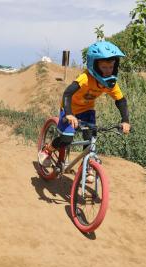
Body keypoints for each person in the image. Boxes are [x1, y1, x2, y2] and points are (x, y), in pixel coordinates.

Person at [38, 41, 131, 180]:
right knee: (66, 139)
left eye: (111, 67)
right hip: (69, 109)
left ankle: (87, 166)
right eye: (104, 67)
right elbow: (67, 94)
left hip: (87, 110)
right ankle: (48, 149)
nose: (108, 70)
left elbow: (121, 100)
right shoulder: (85, 78)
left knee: (91, 139)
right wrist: (69, 114)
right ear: (95, 66)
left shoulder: (110, 83)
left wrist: (125, 121)